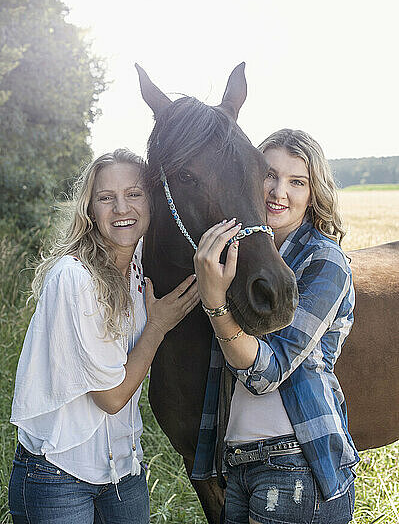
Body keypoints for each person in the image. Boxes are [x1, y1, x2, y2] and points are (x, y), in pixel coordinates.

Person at [8, 148, 199, 524]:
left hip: (122, 469)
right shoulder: (75, 278)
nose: (121, 208)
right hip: (58, 473)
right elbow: (111, 398)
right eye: (106, 198)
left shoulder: (139, 267)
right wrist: (157, 326)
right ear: (90, 209)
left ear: (152, 201)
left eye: (134, 194)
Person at [193, 129, 359, 524]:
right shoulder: (238, 258)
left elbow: (265, 373)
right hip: (239, 464)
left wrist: (215, 303)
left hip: (297, 462)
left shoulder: (325, 262)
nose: (278, 191)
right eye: (269, 175)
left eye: (296, 181)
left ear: (312, 192)